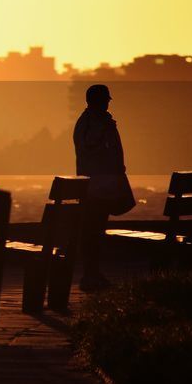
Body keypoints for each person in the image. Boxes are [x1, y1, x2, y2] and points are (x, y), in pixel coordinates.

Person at [73, 83, 135, 292]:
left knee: (95, 230)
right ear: (96, 102)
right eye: (105, 101)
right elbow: (97, 149)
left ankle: (93, 273)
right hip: (97, 187)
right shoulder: (95, 124)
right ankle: (91, 274)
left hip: (98, 185)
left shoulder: (89, 122)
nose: (108, 104)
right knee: (93, 230)